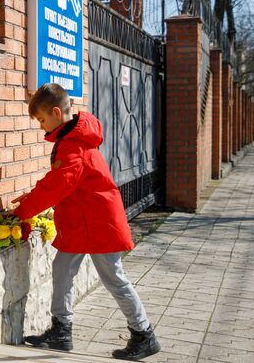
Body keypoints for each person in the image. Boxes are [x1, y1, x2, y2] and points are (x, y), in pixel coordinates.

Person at [12, 83, 160, 360]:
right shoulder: (72, 139)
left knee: (114, 278)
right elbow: (58, 179)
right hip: (84, 220)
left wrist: (23, 213)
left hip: (98, 222)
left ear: (56, 112)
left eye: (42, 120)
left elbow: (58, 186)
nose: (42, 127)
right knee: (63, 268)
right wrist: (31, 197)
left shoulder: (73, 145)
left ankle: (144, 334)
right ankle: (61, 330)